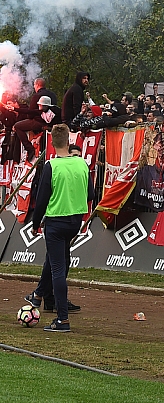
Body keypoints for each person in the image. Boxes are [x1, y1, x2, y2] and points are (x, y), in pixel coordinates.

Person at [28, 124, 90, 332]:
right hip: (75, 221)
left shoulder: (51, 166)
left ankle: (62, 319)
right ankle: (38, 295)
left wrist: (35, 223)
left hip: (56, 221)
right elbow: (90, 193)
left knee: (57, 268)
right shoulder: (81, 163)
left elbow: (41, 199)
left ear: (52, 144)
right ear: (69, 141)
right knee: (58, 259)